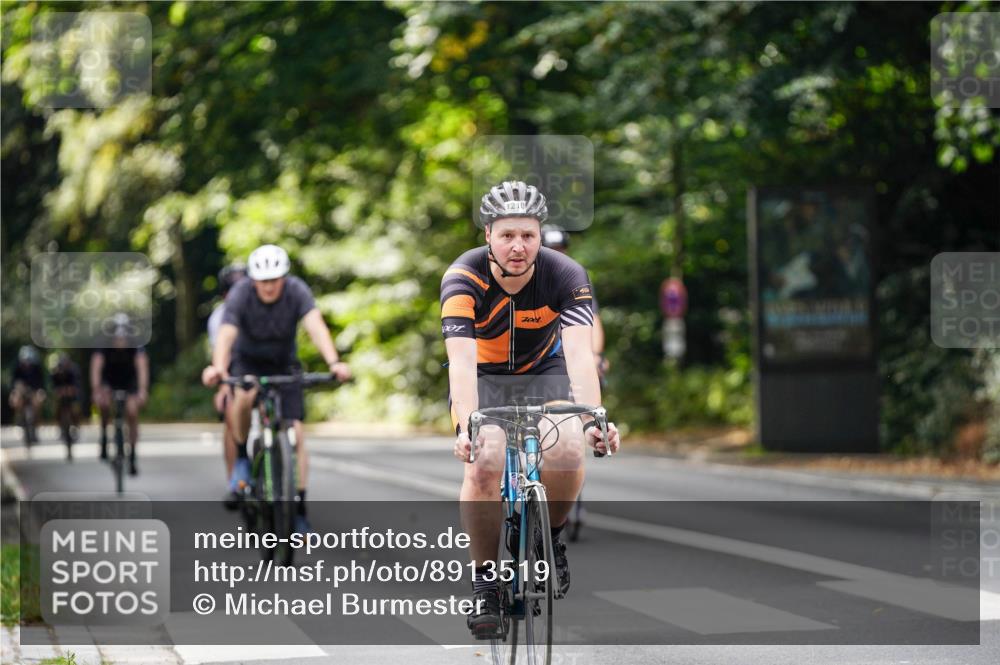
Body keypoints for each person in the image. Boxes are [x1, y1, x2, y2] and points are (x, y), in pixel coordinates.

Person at [442, 180, 621, 639]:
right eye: (507, 235)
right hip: (485, 379)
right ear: (488, 236)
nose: (518, 246)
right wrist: (466, 426)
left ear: (541, 235)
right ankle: (484, 582)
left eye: (528, 235)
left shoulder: (566, 274)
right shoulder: (462, 278)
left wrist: (594, 418)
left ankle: (551, 538)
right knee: (484, 461)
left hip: (547, 370)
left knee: (568, 451)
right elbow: (461, 362)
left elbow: (580, 357)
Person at [201, 244, 351, 532]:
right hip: (247, 362)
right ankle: (243, 458)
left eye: (274, 280)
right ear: (254, 280)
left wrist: (334, 362)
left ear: (284, 277)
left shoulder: (296, 291)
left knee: (296, 434)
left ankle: (299, 509)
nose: (269, 287)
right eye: (263, 281)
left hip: (284, 364)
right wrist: (218, 368)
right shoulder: (241, 294)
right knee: (243, 397)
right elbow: (226, 333)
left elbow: (315, 325)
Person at [541, 224, 609, 541]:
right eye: (551, 250)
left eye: (562, 250)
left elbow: (592, 322)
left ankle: (564, 497)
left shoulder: (573, 277)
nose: (557, 256)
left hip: (565, 359)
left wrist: (595, 356)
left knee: (567, 431)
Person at [208, 264, 248, 508]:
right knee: (230, 413)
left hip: (262, 365)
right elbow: (221, 354)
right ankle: (235, 481)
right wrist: (223, 388)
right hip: (234, 369)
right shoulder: (219, 318)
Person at [90, 313, 149, 474]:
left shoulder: (136, 345)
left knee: (132, 412)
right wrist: (96, 390)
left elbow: (142, 368)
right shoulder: (103, 345)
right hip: (109, 382)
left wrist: (142, 390)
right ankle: (103, 436)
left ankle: (133, 455)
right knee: (104, 405)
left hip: (129, 383)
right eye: (117, 337)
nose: (120, 340)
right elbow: (96, 367)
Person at [9, 345, 46, 445]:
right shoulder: (17, 367)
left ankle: (35, 426)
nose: (27, 363)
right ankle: (19, 418)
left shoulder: (37, 368)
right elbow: (13, 382)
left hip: (34, 390)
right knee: (15, 399)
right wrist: (17, 390)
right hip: (21, 390)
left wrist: (39, 391)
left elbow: (41, 383)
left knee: (38, 401)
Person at [51, 353, 82, 459]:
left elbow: (77, 386)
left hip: (72, 396)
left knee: (75, 409)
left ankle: (77, 425)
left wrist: (70, 390)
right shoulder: (55, 373)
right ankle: (59, 426)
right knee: (56, 407)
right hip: (61, 397)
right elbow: (53, 387)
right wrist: (59, 392)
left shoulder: (73, 371)